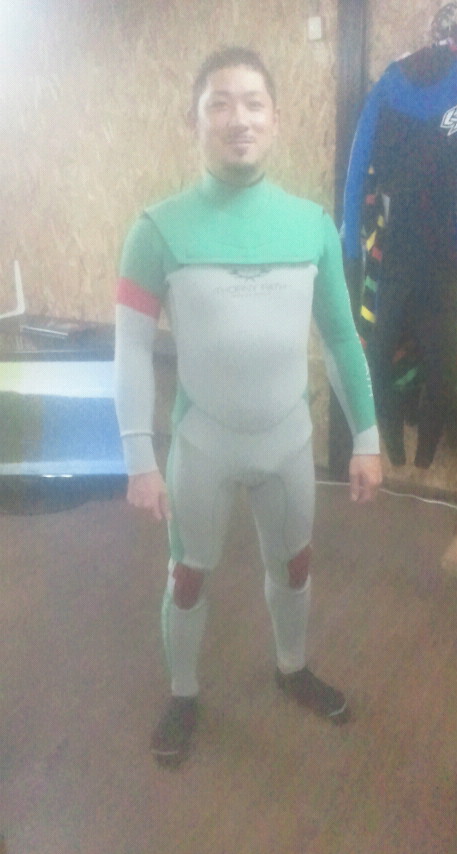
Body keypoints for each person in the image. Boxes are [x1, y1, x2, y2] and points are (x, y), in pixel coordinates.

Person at [114, 46, 382, 767]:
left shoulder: (311, 225)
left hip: (287, 439)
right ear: (194, 119)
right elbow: (131, 348)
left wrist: (366, 436)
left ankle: (293, 668)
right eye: (221, 103)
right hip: (203, 443)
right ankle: (183, 692)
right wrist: (138, 458)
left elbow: (340, 337)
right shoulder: (156, 230)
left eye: (254, 103)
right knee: (188, 575)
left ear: (276, 118)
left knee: (295, 565)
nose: (240, 118)